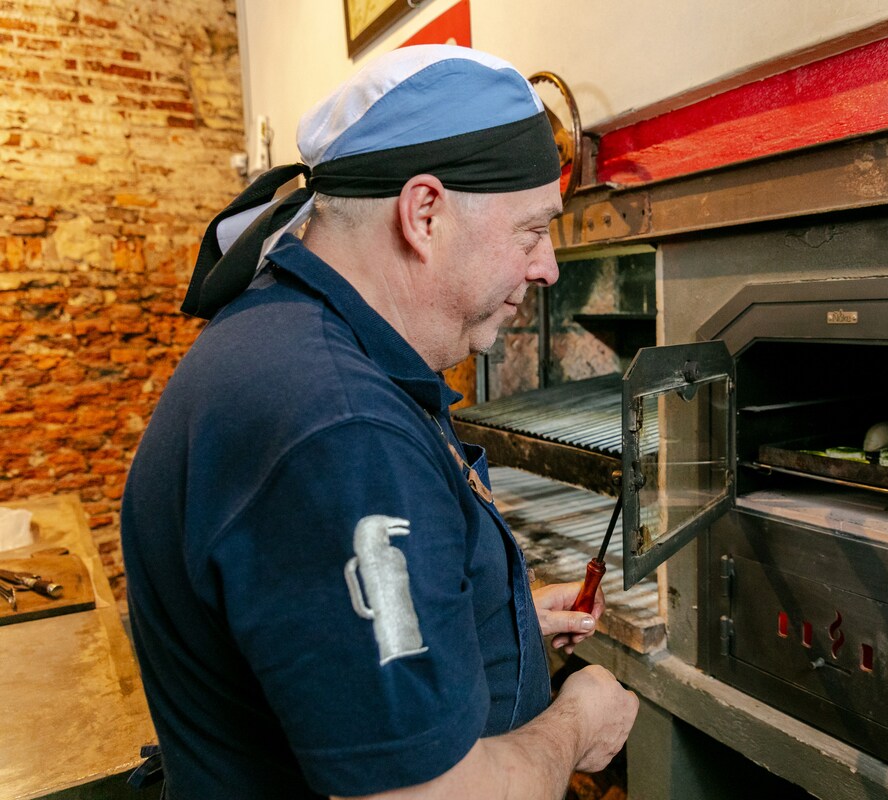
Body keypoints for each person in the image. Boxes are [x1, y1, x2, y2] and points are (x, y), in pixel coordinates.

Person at [120, 45, 638, 800]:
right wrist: (576, 724)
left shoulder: (292, 336)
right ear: (424, 213)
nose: (548, 267)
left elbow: (317, 626)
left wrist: (496, 615)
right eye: (531, 232)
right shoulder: (339, 426)